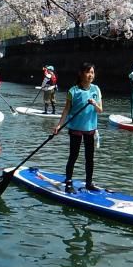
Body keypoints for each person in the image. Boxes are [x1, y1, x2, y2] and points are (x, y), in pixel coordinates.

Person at [53, 62, 103, 193]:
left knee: (89, 157)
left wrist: (94, 104)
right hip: (75, 128)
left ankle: (89, 183)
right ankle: (68, 182)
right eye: (88, 72)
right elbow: (66, 110)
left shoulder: (96, 89)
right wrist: (59, 125)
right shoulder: (73, 91)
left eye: (92, 72)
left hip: (90, 128)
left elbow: (100, 110)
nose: (90, 75)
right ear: (81, 74)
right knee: (73, 156)